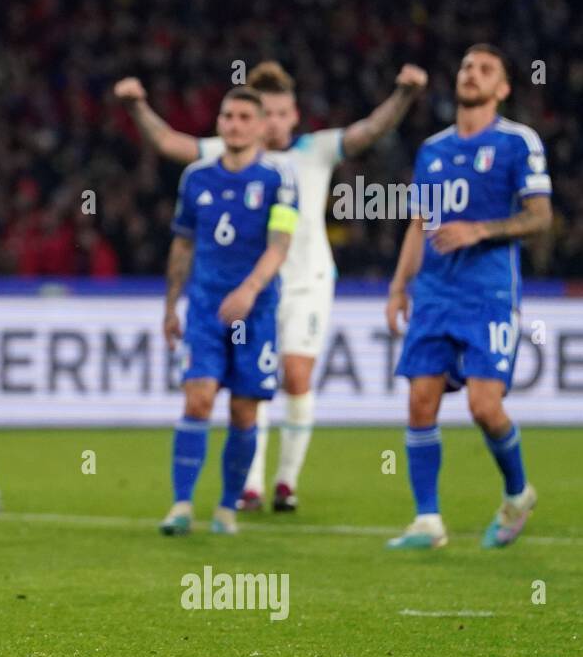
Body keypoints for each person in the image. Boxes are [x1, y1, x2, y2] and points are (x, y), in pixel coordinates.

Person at [117, 61, 426, 511]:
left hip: (306, 283)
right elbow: (168, 142)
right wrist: (137, 106)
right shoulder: (229, 153)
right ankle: (251, 486)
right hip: (249, 289)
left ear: (294, 115)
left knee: (296, 376)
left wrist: (403, 94)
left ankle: (287, 480)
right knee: (251, 387)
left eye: (283, 113)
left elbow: (368, 131)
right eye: (268, 113)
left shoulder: (316, 150)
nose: (276, 122)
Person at [385, 45, 550, 550]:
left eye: (485, 70)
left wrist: (478, 230)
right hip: (433, 294)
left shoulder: (518, 142)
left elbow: (539, 216)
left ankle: (518, 493)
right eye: (465, 67)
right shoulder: (432, 150)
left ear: (502, 89)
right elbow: (420, 223)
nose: (471, 75)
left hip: (489, 293)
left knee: (484, 407)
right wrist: (398, 285)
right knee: (419, 401)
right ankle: (428, 521)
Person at [158, 87, 296, 535]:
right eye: (227, 116)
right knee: (197, 399)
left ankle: (225, 509)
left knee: (243, 412)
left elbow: (281, 244)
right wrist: (170, 306)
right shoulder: (196, 178)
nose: (234, 124)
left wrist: (250, 289)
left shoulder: (279, 178)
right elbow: (182, 243)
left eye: (243, 117)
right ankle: (180, 506)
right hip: (204, 309)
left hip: (255, 311)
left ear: (259, 127)